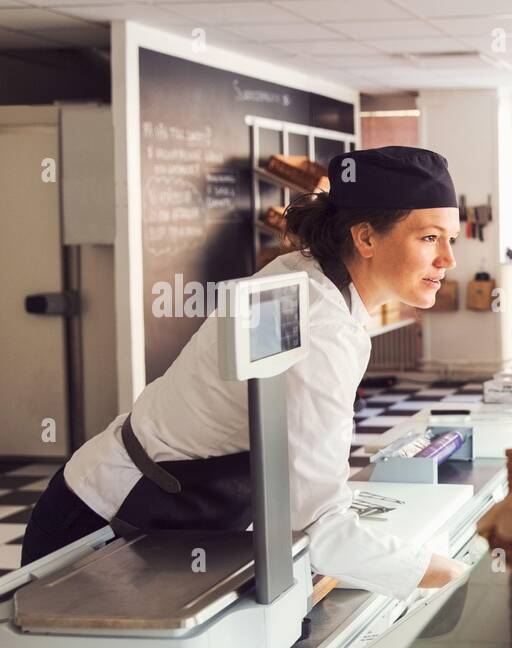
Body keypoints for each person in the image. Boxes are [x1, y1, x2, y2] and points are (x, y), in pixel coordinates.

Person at [22, 146, 468, 599]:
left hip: (170, 514)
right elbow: (322, 530)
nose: (448, 259)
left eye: (452, 239)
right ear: (366, 238)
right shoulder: (319, 324)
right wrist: (456, 575)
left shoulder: (312, 278)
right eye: (429, 238)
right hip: (100, 527)